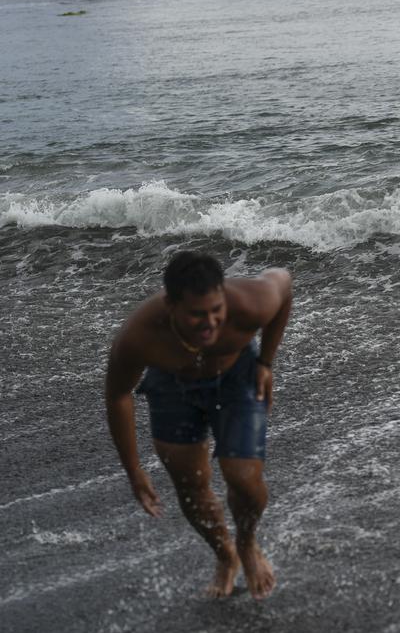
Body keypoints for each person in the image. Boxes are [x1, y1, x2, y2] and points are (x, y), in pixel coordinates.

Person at [104, 251, 293, 599]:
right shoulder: (140, 336)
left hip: (237, 375)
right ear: (171, 305)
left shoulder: (250, 303)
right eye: (197, 315)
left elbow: (284, 283)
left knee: (245, 479)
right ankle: (226, 556)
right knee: (190, 485)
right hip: (171, 384)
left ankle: (247, 543)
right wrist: (133, 471)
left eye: (216, 310)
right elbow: (118, 396)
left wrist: (266, 361)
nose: (210, 323)